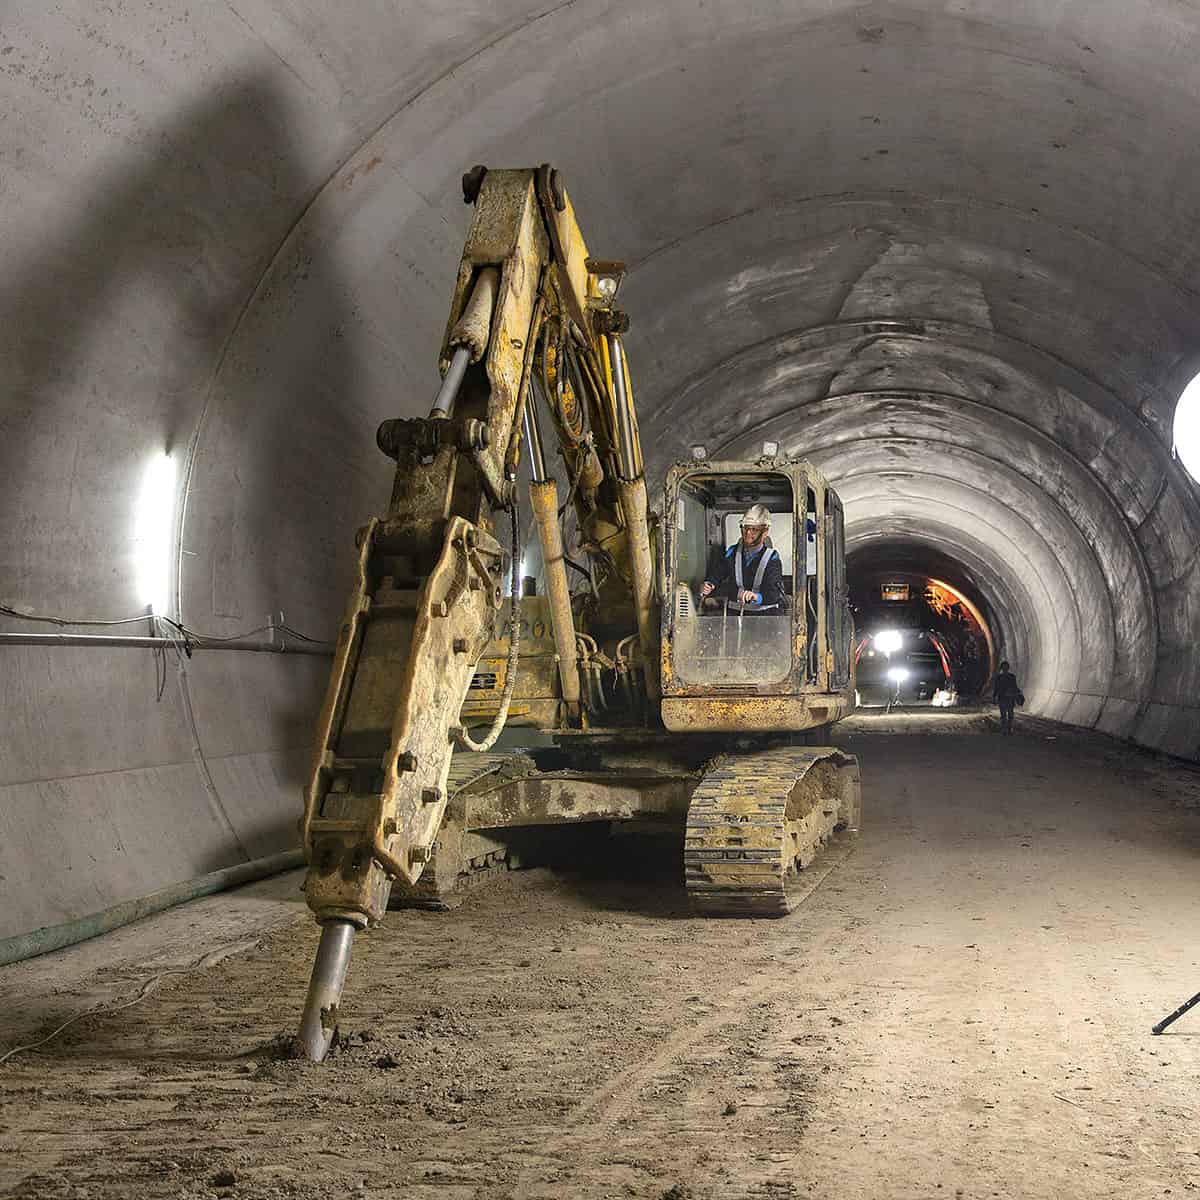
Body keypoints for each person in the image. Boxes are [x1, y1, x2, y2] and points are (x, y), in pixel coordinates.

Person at [700, 504, 785, 613]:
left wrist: (756, 597)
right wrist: (710, 583)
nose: (748, 533)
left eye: (754, 529)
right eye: (745, 527)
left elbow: (774, 593)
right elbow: (719, 573)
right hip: (735, 614)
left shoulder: (772, 558)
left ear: (765, 532)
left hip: (764, 617)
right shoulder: (732, 552)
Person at [992, 659, 1022, 735]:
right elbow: (996, 687)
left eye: (1006, 667)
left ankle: (1008, 728)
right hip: (1002, 698)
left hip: (1009, 698)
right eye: (1004, 667)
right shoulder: (999, 677)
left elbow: (1014, 686)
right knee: (1003, 714)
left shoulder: (1011, 677)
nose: (1005, 669)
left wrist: (1018, 693)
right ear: (1002, 668)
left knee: (1010, 714)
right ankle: (1005, 728)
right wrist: (994, 696)